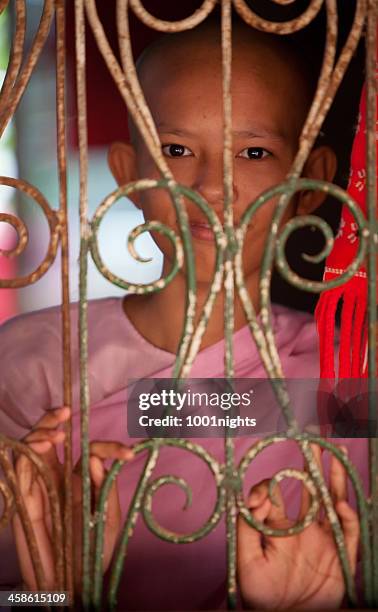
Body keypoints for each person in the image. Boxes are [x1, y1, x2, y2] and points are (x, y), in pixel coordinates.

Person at [0, 16, 365, 611]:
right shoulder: (34, 361)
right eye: (175, 150)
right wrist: (57, 593)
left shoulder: (343, 376)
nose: (212, 186)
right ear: (128, 172)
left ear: (311, 181)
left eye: (253, 151)